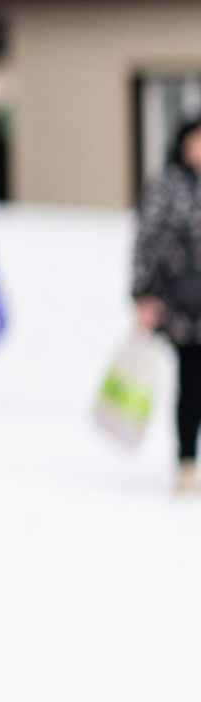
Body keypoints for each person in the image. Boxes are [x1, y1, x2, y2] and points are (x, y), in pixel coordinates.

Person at [131, 115, 201, 494]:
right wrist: (145, 294)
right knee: (192, 382)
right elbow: (146, 243)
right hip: (182, 304)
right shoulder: (167, 187)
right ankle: (186, 461)